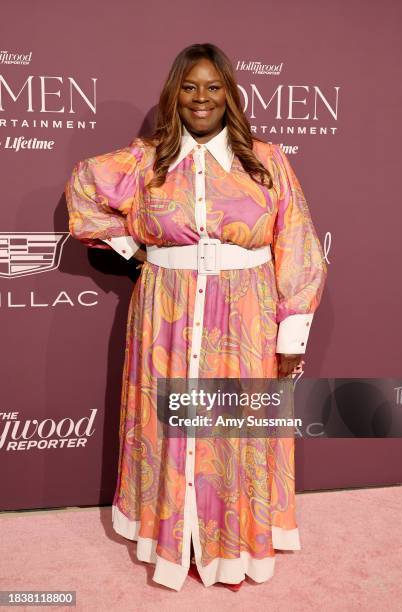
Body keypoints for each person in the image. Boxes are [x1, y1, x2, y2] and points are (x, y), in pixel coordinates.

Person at [65, 42, 327, 592]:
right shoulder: (146, 159)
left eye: (213, 86)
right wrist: (133, 250)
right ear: (174, 94)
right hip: (167, 313)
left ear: (229, 93)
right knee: (169, 427)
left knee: (233, 433)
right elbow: (84, 191)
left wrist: (292, 331)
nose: (201, 98)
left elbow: (299, 244)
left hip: (246, 315)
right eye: (190, 87)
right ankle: (174, 538)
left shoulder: (267, 159)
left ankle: (230, 546)